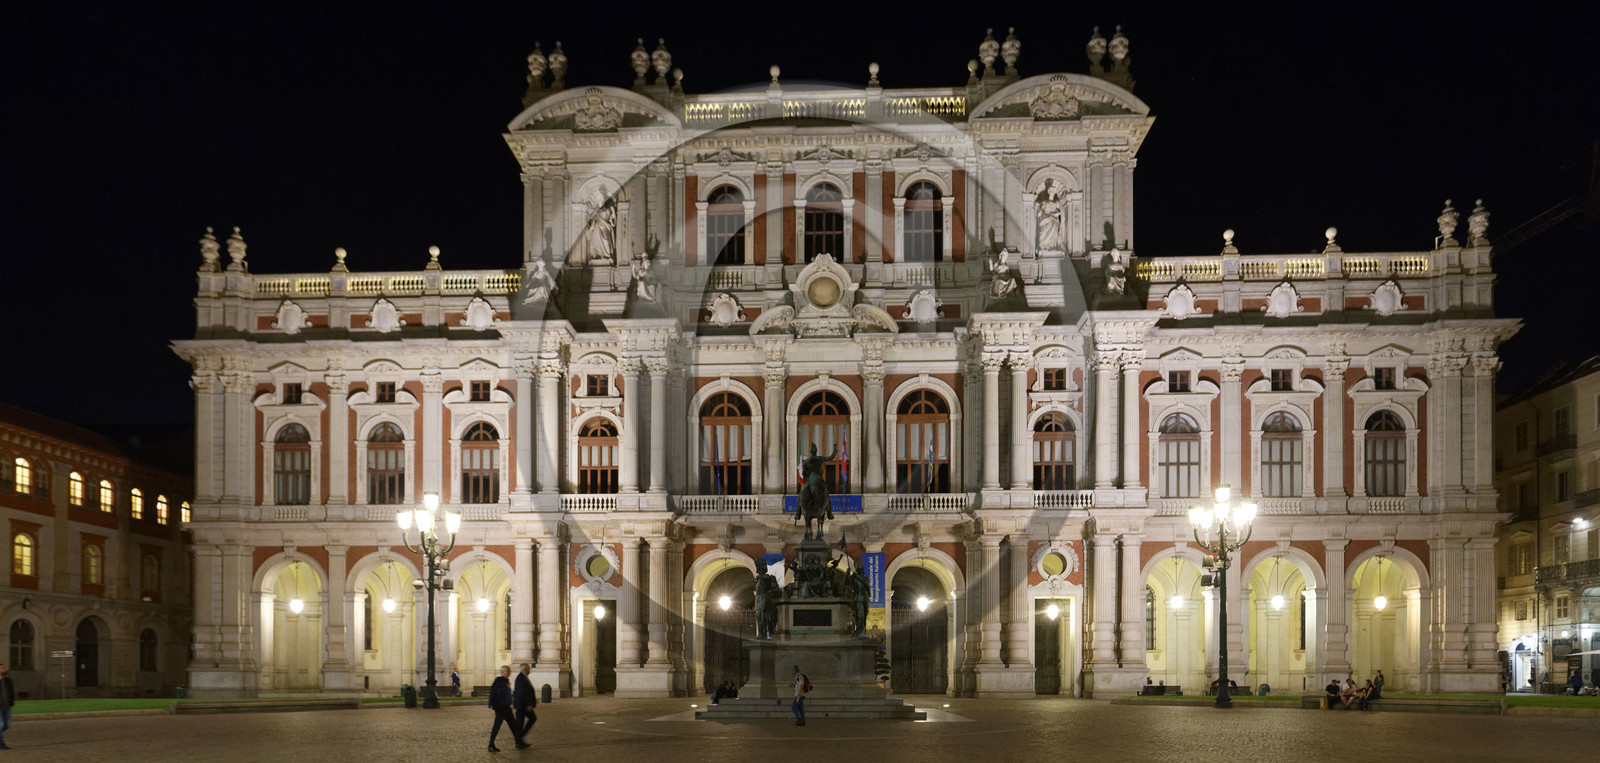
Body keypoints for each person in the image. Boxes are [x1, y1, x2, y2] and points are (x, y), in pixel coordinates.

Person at [487, 665, 528, 752]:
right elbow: (495, 692)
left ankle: (519, 743)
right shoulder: (499, 680)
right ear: (502, 672)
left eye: (509, 671)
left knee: (514, 726)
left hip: (506, 707)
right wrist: (506, 688)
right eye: (506, 671)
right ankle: (491, 745)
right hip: (500, 708)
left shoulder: (506, 681)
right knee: (497, 726)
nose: (508, 672)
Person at [514, 664, 538, 737]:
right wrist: (528, 704)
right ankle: (519, 739)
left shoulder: (523, 677)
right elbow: (523, 692)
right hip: (522, 705)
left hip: (523, 705)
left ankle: (520, 738)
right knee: (520, 723)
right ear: (525, 669)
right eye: (529, 669)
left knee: (530, 719)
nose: (529, 671)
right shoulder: (521, 678)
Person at [0, 663, 15, 750]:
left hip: (7, 706)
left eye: (4, 668)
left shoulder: (8, 681)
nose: (5, 669)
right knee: (0, 725)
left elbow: (11, 692)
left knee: (7, 725)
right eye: (2, 668)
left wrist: (11, 702)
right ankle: (1, 743)